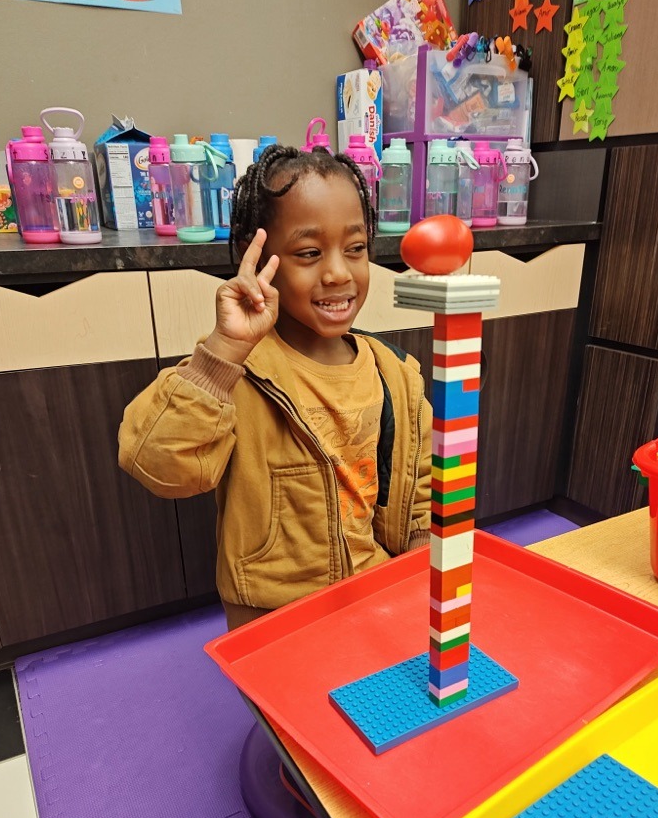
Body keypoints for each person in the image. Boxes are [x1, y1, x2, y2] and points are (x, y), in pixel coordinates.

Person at [119, 145, 432, 632]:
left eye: (355, 249)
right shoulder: (233, 370)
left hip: (374, 594)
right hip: (271, 615)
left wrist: (420, 580)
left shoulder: (396, 374)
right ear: (259, 256)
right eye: (309, 253)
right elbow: (158, 466)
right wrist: (224, 350)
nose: (337, 273)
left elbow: (419, 496)